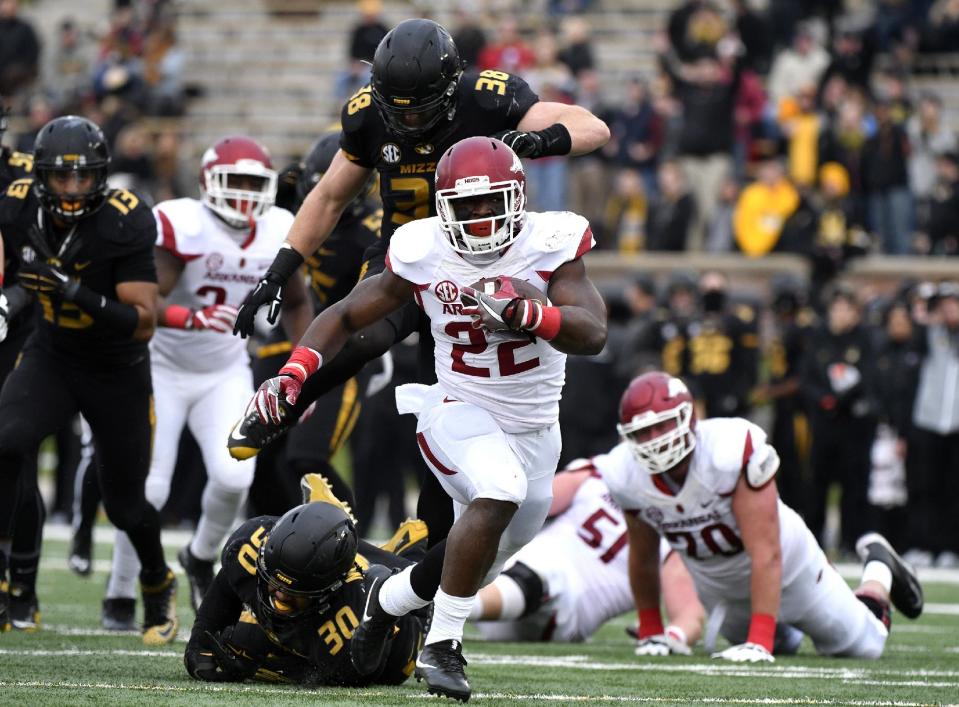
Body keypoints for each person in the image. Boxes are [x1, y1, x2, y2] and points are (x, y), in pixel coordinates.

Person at [235, 137, 607, 701]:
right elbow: (344, 313)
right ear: (442, 208)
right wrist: (294, 373)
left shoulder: (549, 242)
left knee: (483, 562)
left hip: (535, 428)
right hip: (458, 407)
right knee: (498, 492)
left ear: (519, 199)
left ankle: (383, 604)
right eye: (467, 207)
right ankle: (443, 645)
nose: (481, 219)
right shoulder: (422, 248)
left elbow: (594, 331)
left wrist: (534, 313)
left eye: (493, 204)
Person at [228, 17, 609, 548]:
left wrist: (535, 139)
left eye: (420, 105)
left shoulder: (488, 96)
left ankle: (429, 553)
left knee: (448, 401)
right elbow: (329, 196)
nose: (407, 118)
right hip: (408, 255)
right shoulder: (365, 113)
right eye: (396, 106)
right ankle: (283, 399)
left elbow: (593, 126)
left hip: (485, 264)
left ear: (452, 89)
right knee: (364, 332)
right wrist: (281, 268)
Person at [100, 135, 313, 628]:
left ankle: (199, 556)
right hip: (161, 367)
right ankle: (119, 594)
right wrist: (190, 318)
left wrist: (304, 370)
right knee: (149, 488)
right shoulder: (185, 224)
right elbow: (143, 302)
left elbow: (299, 303)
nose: (242, 192)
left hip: (223, 370)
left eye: (252, 183)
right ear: (207, 183)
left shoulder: (279, 228)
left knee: (235, 475)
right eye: (232, 181)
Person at [597, 371, 922, 663]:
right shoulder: (624, 472)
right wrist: (651, 630)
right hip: (722, 588)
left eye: (661, 426)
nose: (654, 441)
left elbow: (766, 550)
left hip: (793, 571)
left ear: (688, 416)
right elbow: (643, 557)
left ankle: (879, 570)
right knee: (781, 646)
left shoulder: (728, 450)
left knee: (864, 646)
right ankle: (778, 631)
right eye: (643, 432)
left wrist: (759, 641)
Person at [0, 116, 177, 643]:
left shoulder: (124, 219)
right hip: (52, 353)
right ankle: (11, 575)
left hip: (116, 367)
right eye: (61, 178)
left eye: (83, 178)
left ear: (101, 176)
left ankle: (155, 579)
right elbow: (19, 273)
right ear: (40, 177)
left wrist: (74, 291)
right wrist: (13, 298)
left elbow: (142, 322)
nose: (73, 189)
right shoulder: (15, 202)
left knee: (124, 504)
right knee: (7, 442)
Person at [184, 476, 428, 686]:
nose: (279, 596)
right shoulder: (250, 544)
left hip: (389, 648)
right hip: (320, 607)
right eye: (274, 583)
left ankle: (404, 556)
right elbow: (228, 583)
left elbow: (334, 675)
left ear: (327, 592)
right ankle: (328, 519)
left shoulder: (346, 624)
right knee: (247, 638)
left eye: (293, 592)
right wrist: (199, 642)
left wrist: (257, 666)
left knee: (402, 663)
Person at [249, 132, 381, 516]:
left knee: (306, 458)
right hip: (282, 336)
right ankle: (270, 537)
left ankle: (350, 545)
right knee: (252, 457)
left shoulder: (371, 229)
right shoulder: (288, 191)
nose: (324, 194)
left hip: (339, 347)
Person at [470, 458, 704, 648]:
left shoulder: (678, 529)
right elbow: (526, 503)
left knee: (544, 573)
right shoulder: (599, 473)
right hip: (499, 583)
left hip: (560, 611)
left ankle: (442, 605)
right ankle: (443, 602)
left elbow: (689, 615)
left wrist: (674, 636)